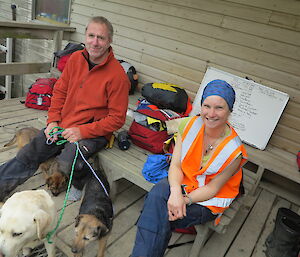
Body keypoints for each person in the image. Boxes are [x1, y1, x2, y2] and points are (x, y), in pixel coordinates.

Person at [0, 16, 130, 201]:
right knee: (31, 151)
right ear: (85, 36)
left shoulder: (117, 76)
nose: (95, 42)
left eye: (101, 37)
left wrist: (82, 131)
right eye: (91, 35)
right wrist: (53, 121)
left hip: (93, 132)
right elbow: (59, 91)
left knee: (68, 160)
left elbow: (117, 119)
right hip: (64, 123)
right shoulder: (76, 58)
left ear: (109, 41)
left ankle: (77, 183)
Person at [131, 80, 248, 257]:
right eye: (206, 106)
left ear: (230, 110)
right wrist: (176, 192)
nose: (211, 113)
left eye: (219, 108)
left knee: (160, 212)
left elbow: (213, 188)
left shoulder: (234, 150)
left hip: (208, 199)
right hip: (184, 181)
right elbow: (176, 165)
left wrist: (184, 200)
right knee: (157, 198)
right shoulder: (189, 126)